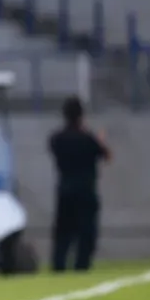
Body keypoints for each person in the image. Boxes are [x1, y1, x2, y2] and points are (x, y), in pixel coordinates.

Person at [48, 96, 111, 272]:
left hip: (65, 190)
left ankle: (58, 264)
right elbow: (106, 156)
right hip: (85, 190)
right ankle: (81, 264)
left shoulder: (57, 138)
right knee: (86, 231)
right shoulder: (88, 139)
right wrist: (99, 140)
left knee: (63, 232)